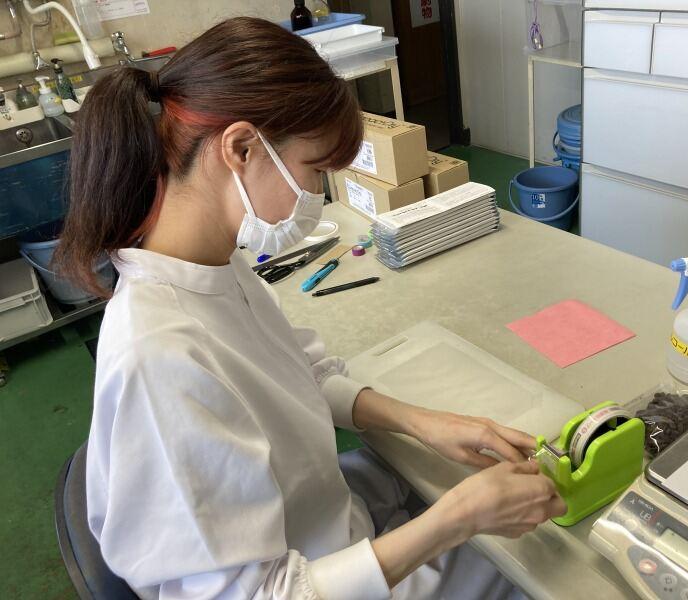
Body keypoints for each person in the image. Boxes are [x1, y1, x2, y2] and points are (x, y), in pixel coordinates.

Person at [56, 17, 566, 599]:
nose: (318, 195)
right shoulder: (160, 355)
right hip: (305, 581)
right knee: (536, 569)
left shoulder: (214, 263)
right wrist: (457, 520)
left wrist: (424, 423)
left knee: (453, 483)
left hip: (319, 519)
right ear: (241, 148)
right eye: (315, 170)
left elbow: (302, 375)